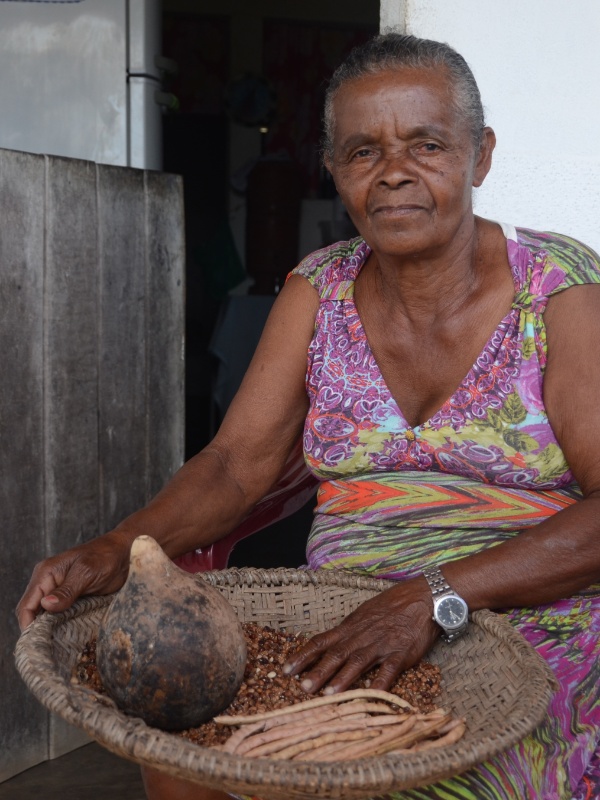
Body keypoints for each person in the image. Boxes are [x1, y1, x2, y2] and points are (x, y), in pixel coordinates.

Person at [17, 32, 600, 800]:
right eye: (363, 152)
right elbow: (234, 465)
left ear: (479, 155)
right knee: (182, 736)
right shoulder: (317, 289)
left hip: (521, 616)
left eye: (426, 144)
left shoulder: (557, 287)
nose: (394, 172)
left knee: (453, 766)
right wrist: (120, 546)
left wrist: (433, 594)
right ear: (334, 170)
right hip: (341, 620)